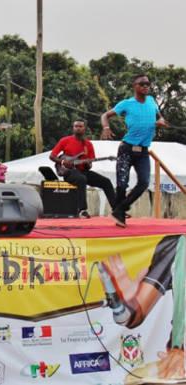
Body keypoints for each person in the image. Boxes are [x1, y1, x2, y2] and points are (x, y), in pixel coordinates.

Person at [101, 235, 185, 381]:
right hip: (175, 366)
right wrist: (125, 304)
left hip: (178, 361)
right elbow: (133, 317)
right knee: (134, 379)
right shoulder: (177, 246)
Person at [101, 74, 169, 227]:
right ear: (135, 86)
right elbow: (105, 115)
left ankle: (120, 209)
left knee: (144, 182)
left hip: (143, 151)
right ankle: (120, 217)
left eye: (148, 84)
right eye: (142, 84)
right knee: (122, 184)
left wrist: (161, 122)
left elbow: (160, 117)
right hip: (127, 149)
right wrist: (106, 127)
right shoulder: (127, 103)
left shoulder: (152, 101)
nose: (146, 86)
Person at [49, 120, 116, 218]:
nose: (78, 128)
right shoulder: (65, 140)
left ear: (84, 129)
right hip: (69, 172)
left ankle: (117, 209)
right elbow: (52, 156)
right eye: (76, 126)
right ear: (73, 128)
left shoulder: (88, 144)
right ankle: (82, 210)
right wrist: (63, 162)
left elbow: (89, 165)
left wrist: (88, 164)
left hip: (83, 171)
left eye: (80, 126)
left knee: (106, 181)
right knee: (81, 179)